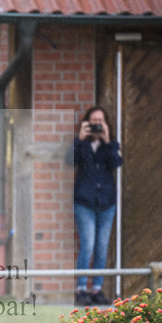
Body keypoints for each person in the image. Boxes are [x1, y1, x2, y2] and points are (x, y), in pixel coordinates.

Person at [65, 105, 122, 306]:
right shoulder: (81, 145)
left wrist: (108, 141)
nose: (97, 124)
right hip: (85, 202)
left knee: (102, 247)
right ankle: (82, 290)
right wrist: (80, 139)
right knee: (87, 244)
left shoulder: (110, 144)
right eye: (94, 121)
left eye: (101, 121)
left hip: (107, 202)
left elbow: (116, 163)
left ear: (105, 123)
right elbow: (69, 161)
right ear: (87, 123)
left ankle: (97, 289)